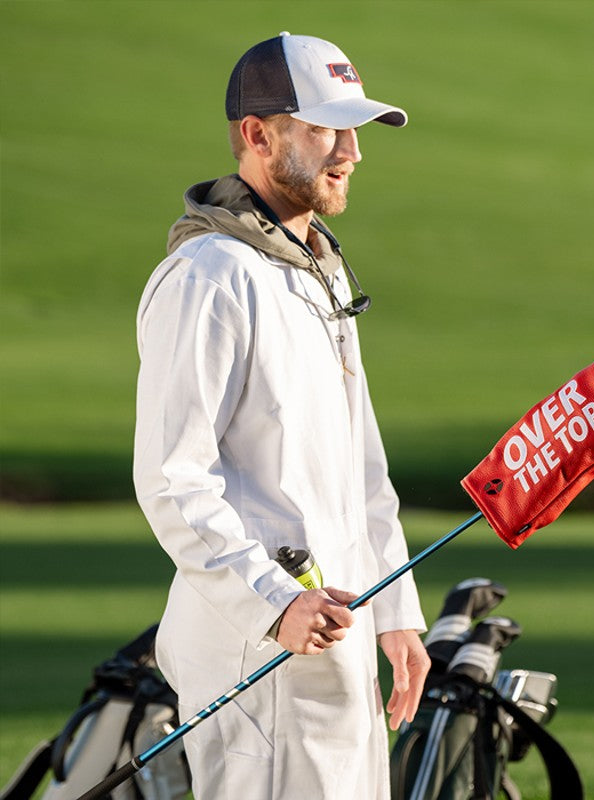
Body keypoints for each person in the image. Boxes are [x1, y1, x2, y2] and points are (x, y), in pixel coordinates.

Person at [133, 32, 430, 800]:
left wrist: (396, 611)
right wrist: (273, 605)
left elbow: (362, 467)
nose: (351, 152)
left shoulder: (320, 269)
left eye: (355, 129)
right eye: (327, 128)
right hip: (256, 656)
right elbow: (172, 480)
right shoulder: (208, 277)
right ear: (257, 136)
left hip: (336, 643)